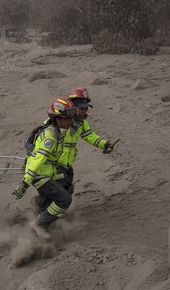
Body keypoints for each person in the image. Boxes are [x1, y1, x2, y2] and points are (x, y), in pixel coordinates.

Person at [31, 87, 114, 216]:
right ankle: (43, 217)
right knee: (55, 191)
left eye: (86, 108)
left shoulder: (81, 122)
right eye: (81, 108)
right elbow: (41, 142)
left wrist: (104, 144)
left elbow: (89, 136)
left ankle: (45, 210)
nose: (84, 111)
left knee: (67, 188)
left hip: (67, 163)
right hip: (54, 164)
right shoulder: (58, 121)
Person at [12, 98, 77, 240]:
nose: (71, 121)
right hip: (40, 175)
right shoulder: (51, 137)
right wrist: (24, 183)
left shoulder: (56, 131)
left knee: (47, 207)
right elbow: (37, 161)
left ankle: (33, 240)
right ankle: (39, 224)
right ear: (58, 119)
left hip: (47, 174)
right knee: (64, 199)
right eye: (68, 118)